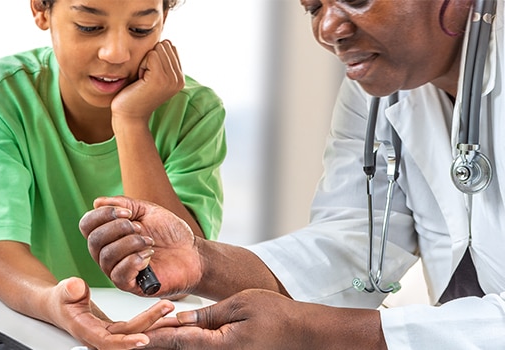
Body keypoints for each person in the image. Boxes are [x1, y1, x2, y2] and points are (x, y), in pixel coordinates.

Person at [78, 0, 505, 348]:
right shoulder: (374, 92)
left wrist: (316, 333)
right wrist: (203, 263)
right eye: (313, 7)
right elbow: (355, 240)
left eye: (356, 0)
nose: (329, 28)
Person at [0, 0, 226, 348]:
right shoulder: (2, 93)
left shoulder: (195, 112)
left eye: (140, 29)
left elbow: (181, 264)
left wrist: (130, 120)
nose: (116, 53)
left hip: (150, 330)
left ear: (164, 19)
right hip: (26, 319)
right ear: (41, 10)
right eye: (89, 27)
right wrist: (56, 304)